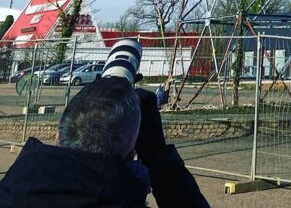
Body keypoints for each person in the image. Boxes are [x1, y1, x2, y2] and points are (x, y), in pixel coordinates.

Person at [0, 56, 209, 206]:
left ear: (57, 134)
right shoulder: (124, 196)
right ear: (131, 156)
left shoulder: (10, 192)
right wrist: (157, 154)